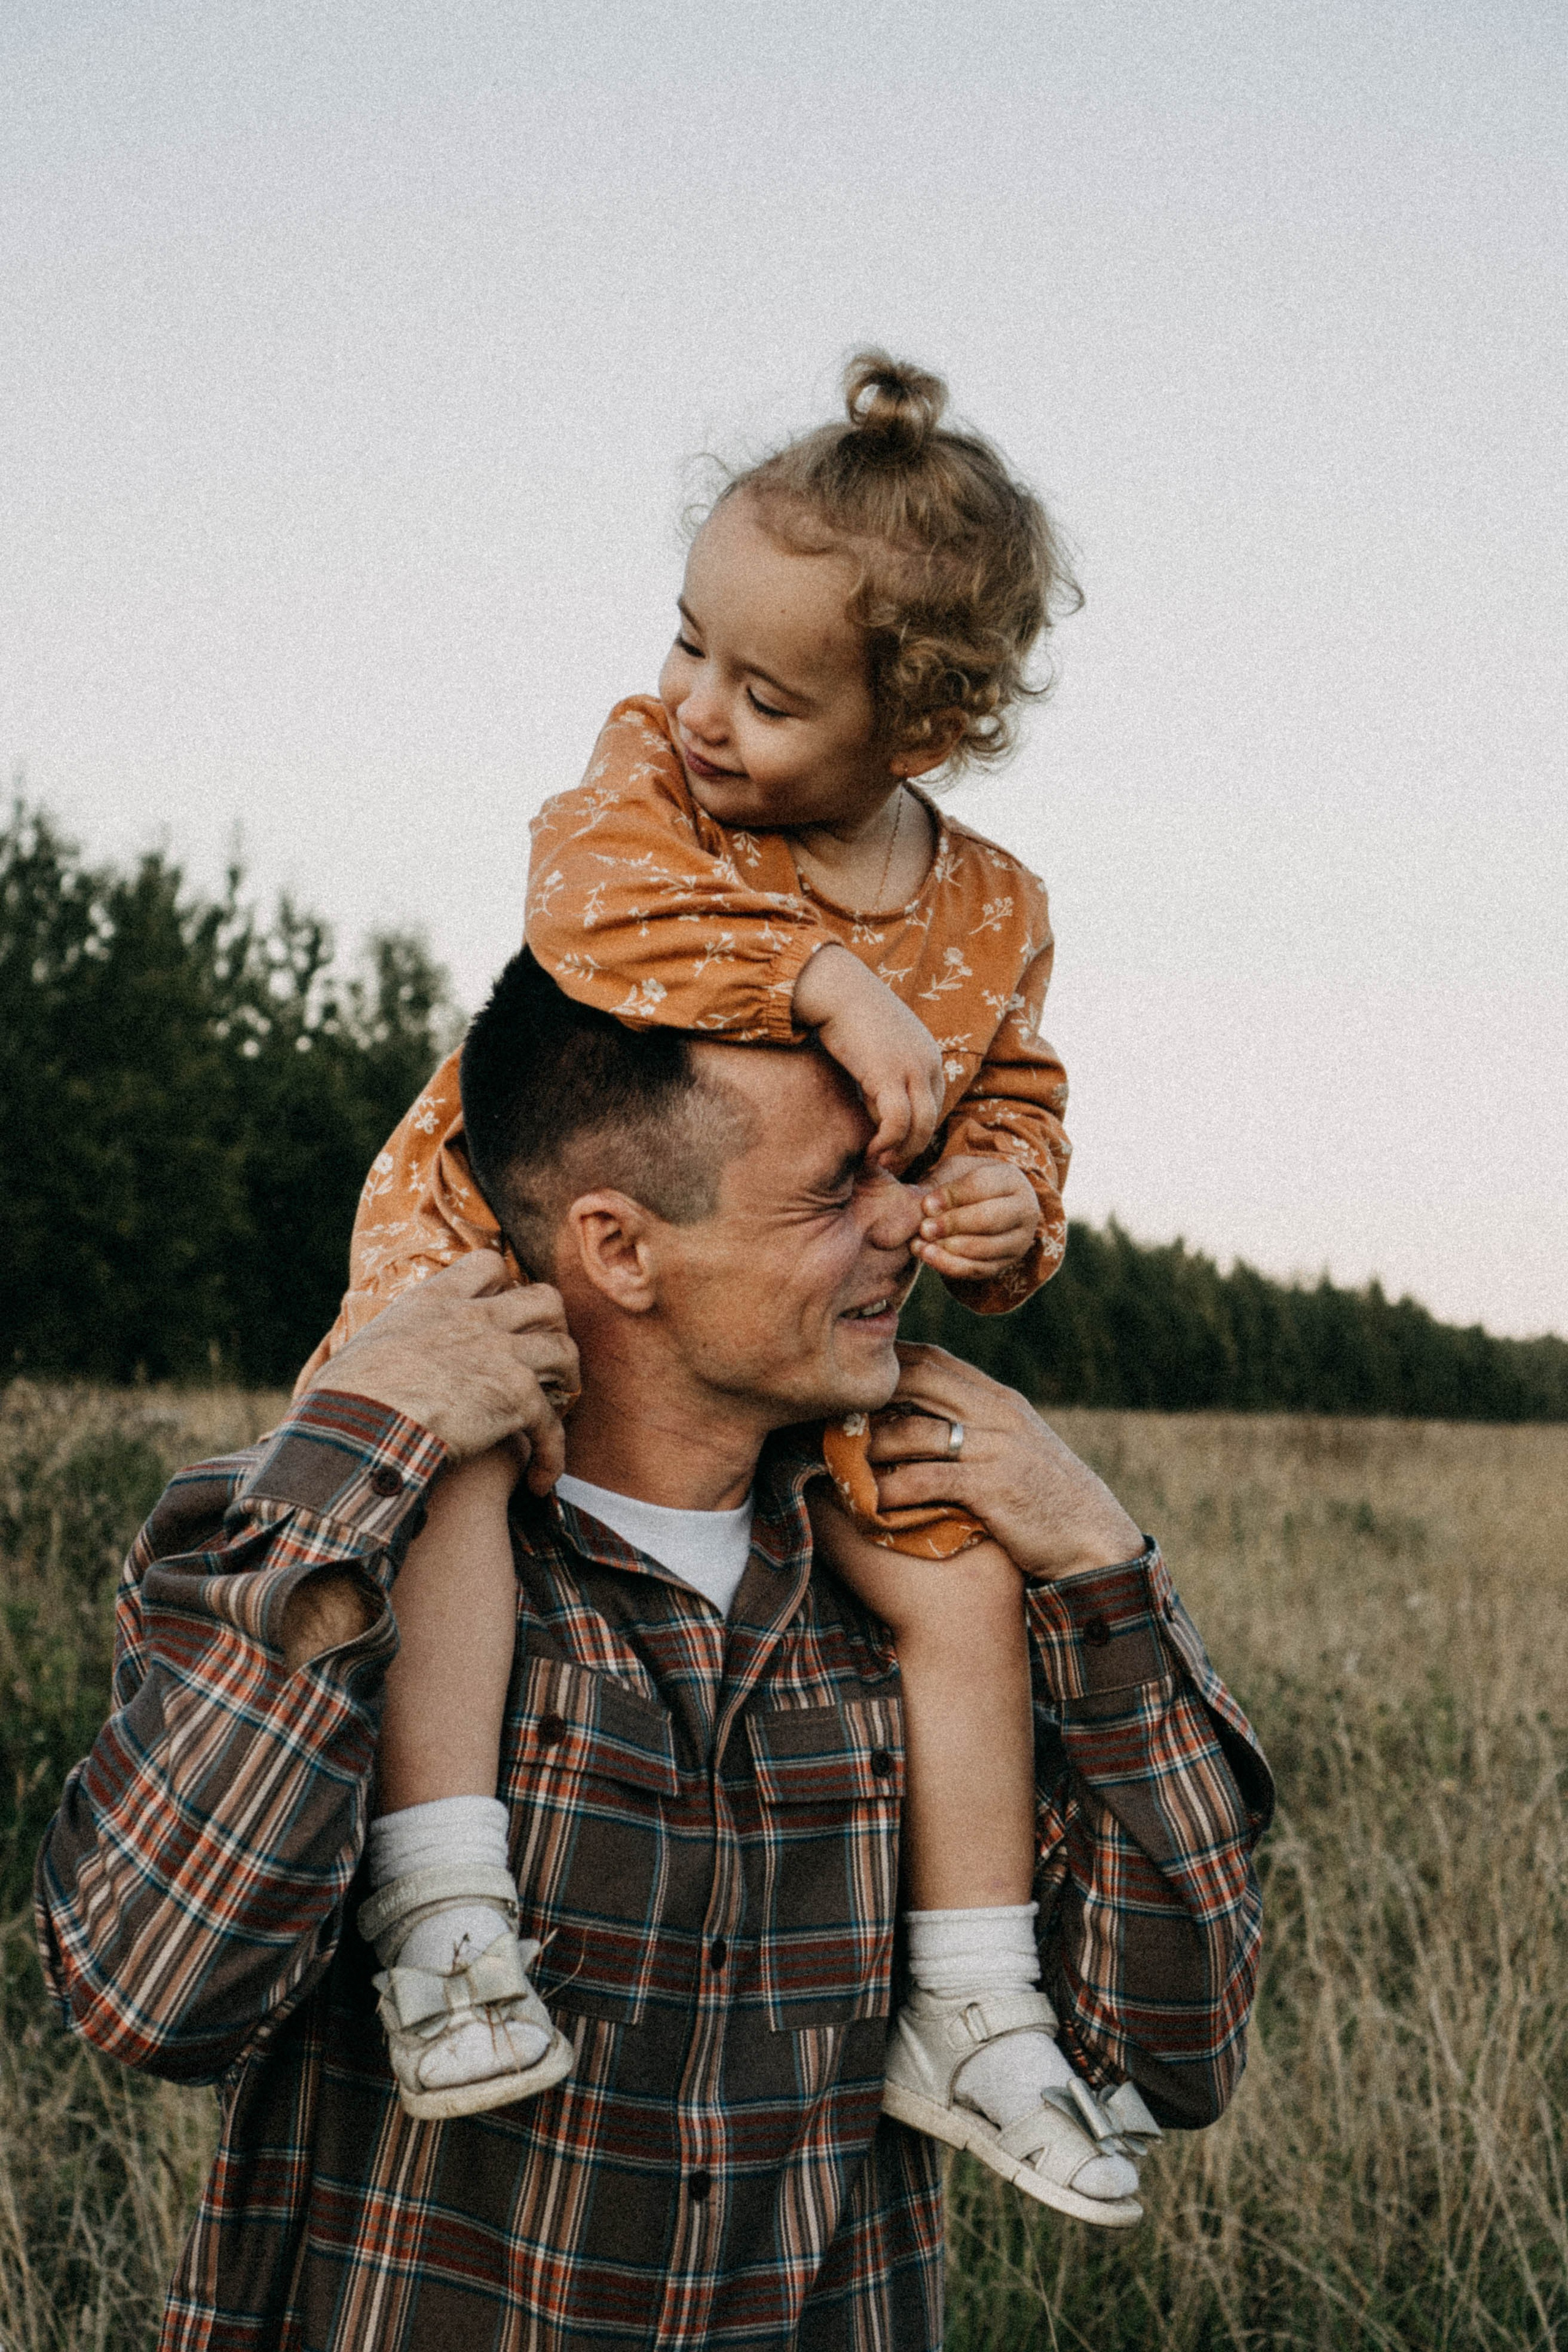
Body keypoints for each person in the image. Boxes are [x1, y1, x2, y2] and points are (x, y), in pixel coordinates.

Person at [37, 957, 1272, 2352]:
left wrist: (1097, 1565)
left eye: (898, 1172)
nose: (903, 1224)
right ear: (618, 1248)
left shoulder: (931, 1590)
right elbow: (155, 2000)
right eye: (832, 1193)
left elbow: (1170, 2053)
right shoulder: (345, 1536)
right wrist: (362, 1454)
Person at [300, 356, 1117, 2177]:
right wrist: (814, 977)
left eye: (767, 692)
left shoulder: (995, 909)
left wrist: (1003, 1194)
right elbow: (577, 904)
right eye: (688, 647)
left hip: (801, 1295)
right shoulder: (648, 792)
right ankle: (442, 1912)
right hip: (510, 1230)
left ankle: (974, 2004)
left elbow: (1019, 1096)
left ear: (919, 729)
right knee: (465, 1457)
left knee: (953, 1563)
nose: (698, 710)